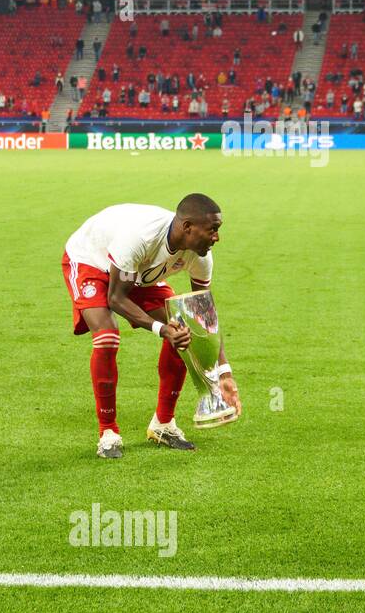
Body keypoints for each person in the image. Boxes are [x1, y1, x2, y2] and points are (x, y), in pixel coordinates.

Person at [60, 195, 239, 459]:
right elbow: (116, 298)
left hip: (139, 272)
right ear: (188, 227)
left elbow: (203, 316)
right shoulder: (140, 236)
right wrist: (160, 328)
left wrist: (224, 372)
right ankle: (108, 432)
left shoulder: (201, 257)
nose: (216, 237)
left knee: (184, 329)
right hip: (92, 260)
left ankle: (163, 424)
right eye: (212, 230)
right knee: (108, 337)